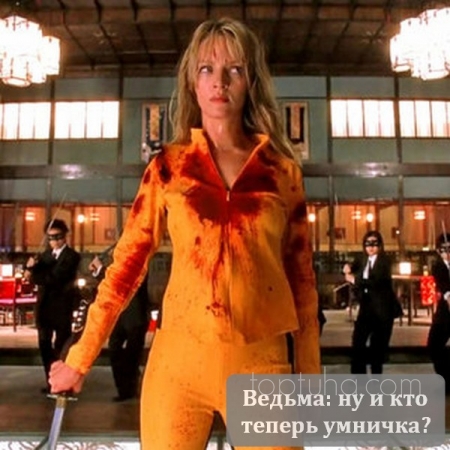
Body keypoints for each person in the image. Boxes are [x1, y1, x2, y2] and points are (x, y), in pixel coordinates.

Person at [49, 17, 320, 450]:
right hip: (178, 366)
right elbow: (125, 268)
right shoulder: (168, 168)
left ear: (251, 81)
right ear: (193, 82)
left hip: (261, 366)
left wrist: (310, 380)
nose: (219, 82)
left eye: (234, 69)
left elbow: (303, 286)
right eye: (207, 69)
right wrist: (79, 358)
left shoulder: (281, 173)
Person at [25, 218, 81, 393]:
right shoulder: (44, 256)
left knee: (61, 346)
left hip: (62, 308)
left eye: (58, 236)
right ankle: (51, 381)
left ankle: (62, 382)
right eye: (50, 237)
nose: (54, 241)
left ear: (65, 236)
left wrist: (33, 274)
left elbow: (55, 278)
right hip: (44, 308)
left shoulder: (72, 256)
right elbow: (38, 276)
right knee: (44, 345)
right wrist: (30, 268)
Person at [89, 255, 151, 402]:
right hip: (118, 316)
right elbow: (110, 284)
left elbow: (122, 282)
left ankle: (131, 388)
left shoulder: (139, 264)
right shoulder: (118, 264)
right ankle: (124, 390)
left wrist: (100, 269)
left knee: (132, 355)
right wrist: (98, 271)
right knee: (114, 349)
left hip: (135, 317)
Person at [343, 230, 401, 374]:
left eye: (374, 244)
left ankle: (375, 382)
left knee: (377, 349)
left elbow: (375, 282)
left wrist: (355, 280)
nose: (371, 247)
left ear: (380, 245)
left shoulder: (384, 262)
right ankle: (359, 380)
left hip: (382, 310)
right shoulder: (363, 259)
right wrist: (347, 268)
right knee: (358, 342)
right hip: (366, 307)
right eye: (368, 244)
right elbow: (352, 267)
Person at [427, 233, 450, 393]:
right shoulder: (438, 266)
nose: (447, 253)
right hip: (445, 313)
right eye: (443, 250)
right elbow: (443, 284)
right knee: (434, 345)